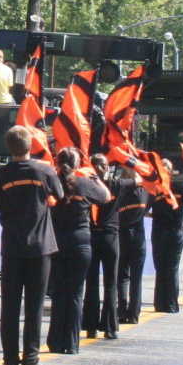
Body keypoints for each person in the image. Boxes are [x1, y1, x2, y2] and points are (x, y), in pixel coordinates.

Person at [0, 126, 62, 365]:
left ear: (8, 147)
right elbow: (59, 194)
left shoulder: (1, 175)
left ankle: (10, 358)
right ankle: (31, 358)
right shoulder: (45, 170)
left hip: (12, 246)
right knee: (34, 304)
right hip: (41, 246)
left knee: (10, 305)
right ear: (31, 145)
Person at [46, 147, 111, 353]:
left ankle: (55, 341)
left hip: (57, 241)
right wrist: (94, 176)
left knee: (58, 293)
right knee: (75, 293)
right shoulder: (83, 182)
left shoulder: (51, 181)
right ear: (77, 164)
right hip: (80, 241)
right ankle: (71, 343)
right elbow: (106, 196)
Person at [152, 158, 183, 313]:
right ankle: (169, 304)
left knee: (163, 268)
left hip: (164, 232)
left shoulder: (156, 189)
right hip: (170, 232)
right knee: (168, 268)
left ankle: (162, 304)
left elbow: (144, 210)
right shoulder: (174, 188)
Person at [84, 152, 124, 340]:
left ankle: (90, 326)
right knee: (111, 282)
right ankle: (110, 326)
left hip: (92, 234)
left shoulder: (86, 186)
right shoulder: (116, 185)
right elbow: (139, 179)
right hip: (110, 236)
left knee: (91, 282)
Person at [115, 163, 149, 325]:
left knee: (122, 276)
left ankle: (122, 311)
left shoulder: (120, 193)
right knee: (137, 278)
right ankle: (134, 313)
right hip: (139, 237)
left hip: (122, 235)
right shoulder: (145, 193)